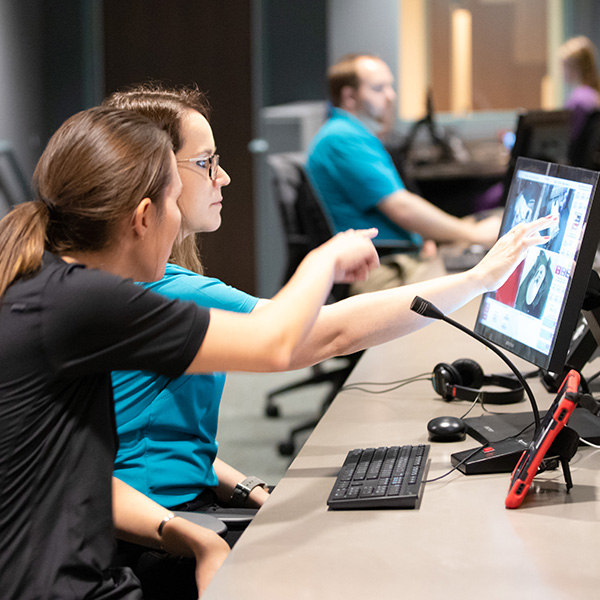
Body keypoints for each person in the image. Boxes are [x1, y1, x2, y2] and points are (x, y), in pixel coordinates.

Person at [102, 84, 551, 559]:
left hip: (170, 508)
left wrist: (247, 488)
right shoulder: (167, 292)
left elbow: (161, 440)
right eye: (207, 162)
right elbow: (329, 333)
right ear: (158, 175)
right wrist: (479, 278)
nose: (224, 177)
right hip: (158, 536)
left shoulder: (140, 281)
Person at [0, 106, 382, 600]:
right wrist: (326, 259)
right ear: (143, 216)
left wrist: (192, 538)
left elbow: (89, 473)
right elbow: (276, 342)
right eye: (175, 202)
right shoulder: (87, 303)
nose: (180, 220)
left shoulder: (43, 286)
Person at [305, 53, 501, 258]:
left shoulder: (351, 133)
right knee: (480, 278)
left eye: (390, 86)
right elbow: (401, 207)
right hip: (382, 264)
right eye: (379, 88)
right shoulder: (342, 138)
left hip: (393, 255)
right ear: (350, 97)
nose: (391, 96)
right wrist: (473, 233)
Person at [559, 36, 600, 140]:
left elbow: (571, 139)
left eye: (563, 66)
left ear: (573, 67)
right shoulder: (594, 94)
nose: (561, 71)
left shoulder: (579, 100)